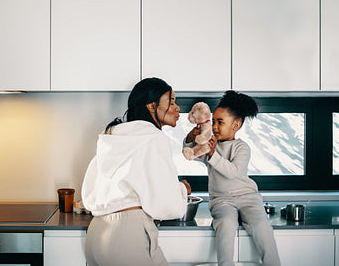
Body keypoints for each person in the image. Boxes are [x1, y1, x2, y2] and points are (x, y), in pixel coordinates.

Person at [81, 77, 191, 266]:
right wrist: (182, 189)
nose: (177, 107)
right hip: (127, 233)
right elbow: (166, 203)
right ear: (151, 106)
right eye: (171, 101)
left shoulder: (113, 135)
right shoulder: (153, 138)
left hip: (97, 234)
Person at [184, 90, 280, 266]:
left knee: (262, 227)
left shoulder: (242, 147)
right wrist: (190, 139)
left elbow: (233, 171)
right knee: (226, 226)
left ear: (236, 125)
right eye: (213, 121)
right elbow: (193, 154)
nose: (214, 127)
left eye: (220, 122)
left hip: (248, 198)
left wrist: (213, 155)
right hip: (221, 201)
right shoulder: (210, 145)